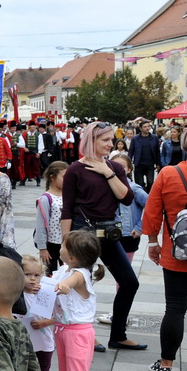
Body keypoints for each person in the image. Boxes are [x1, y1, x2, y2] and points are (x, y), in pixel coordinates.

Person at [61, 121, 146, 351]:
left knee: (129, 282)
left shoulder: (115, 169)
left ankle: (118, 335)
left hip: (108, 232)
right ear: (91, 141)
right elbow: (67, 207)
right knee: (81, 284)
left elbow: (126, 198)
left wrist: (108, 172)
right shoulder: (75, 170)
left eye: (111, 140)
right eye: (105, 140)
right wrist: (65, 243)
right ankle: (86, 334)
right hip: (82, 232)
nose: (111, 144)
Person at [141, 123, 187, 371]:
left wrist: (154, 244)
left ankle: (166, 364)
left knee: (175, 308)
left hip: (178, 251)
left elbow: (152, 213)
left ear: (185, 143)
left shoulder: (169, 173)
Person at [45, 231, 104, 371]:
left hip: (78, 334)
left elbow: (71, 281)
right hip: (61, 331)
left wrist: (64, 285)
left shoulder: (80, 274)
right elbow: (52, 282)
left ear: (72, 257)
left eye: (63, 244)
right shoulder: (65, 269)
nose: (60, 245)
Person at [19, 254, 55, 371]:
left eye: (36, 275)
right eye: (28, 275)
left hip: (44, 340)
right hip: (25, 341)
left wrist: (43, 323)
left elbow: (59, 317)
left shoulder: (46, 292)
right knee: (25, 370)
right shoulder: (18, 294)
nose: (32, 279)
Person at [108, 152, 148, 263]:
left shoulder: (134, 189)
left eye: (122, 166)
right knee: (115, 268)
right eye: (114, 166)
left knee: (124, 269)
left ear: (129, 170)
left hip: (128, 235)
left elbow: (151, 205)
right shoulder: (104, 187)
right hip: (109, 232)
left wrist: (140, 227)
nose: (117, 169)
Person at [34, 161, 68, 274]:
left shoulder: (70, 196)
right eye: (64, 176)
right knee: (50, 275)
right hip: (51, 245)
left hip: (67, 244)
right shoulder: (45, 199)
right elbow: (40, 225)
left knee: (67, 274)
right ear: (52, 177)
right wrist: (42, 248)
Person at [129, 120, 160, 191]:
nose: (147, 128)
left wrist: (158, 164)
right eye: (145, 127)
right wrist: (129, 164)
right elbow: (131, 152)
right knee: (139, 184)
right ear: (140, 128)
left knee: (150, 182)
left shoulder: (154, 138)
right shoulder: (135, 139)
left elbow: (157, 152)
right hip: (139, 164)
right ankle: (142, 197)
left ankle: (148, 195)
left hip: (150, 164)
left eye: (148, 126)